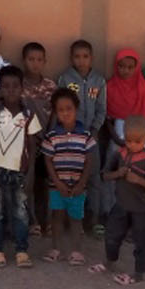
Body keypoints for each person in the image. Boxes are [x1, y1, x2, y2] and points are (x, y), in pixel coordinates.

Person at [0, 65, 42, 268]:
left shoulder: (28, 115)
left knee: (20, 212)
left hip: (21, 171)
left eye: (15, 86)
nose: (10, 90)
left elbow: (33, 146)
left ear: (22, 88)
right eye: (6, 86)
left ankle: (21, 250)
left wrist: (31, 173)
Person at [94, 116, 145, 286]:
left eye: (137, 141)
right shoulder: (119, 154)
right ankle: (110, 262)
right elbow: (104, 175)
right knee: (112, 236)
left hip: (141, 208)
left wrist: (139, 181)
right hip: (121, 204)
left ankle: (139, 273)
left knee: (140, 241)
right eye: (128, 140)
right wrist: (118, 173)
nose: (132, 145)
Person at [40, 88, 95, 265]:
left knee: (76, 218)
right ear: (55, 112)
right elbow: (48, 161)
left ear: (76, 108)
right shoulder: (52, 136)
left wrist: (82, 183)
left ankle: (76, 251)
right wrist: (57, 183)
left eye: (69, 108)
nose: (65, 113)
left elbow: (89, 161)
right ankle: (55, 248)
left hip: (78, 186)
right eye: (60, 110)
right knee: (57, 216)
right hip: (57, 187)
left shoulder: (85, 135)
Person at [58, 39, 108, 228]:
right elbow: (60, 107)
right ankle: (70, 221)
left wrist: (95, 130)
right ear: (71, 58)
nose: (81, 61)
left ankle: (94, 219)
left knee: (94, 177)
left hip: (91, 137)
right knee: (70, 176)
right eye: (77, 57)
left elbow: (102, 109)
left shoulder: (99, 80)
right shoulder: (65, 79)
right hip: (70, 136)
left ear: (91, 58)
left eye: (85, 56)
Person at [106, 47, 145, 227]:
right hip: (118, 139)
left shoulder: (142, 89)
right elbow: (108, 119)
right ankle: (114, 216)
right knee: (116, 176)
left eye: (129, 67)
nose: (125, 70)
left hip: (140, 138)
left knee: (143, 175)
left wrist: (137, 141)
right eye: (121, 66)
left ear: (136, 67)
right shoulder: (110, 87)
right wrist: (118, 139)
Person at [19, 42, 58, 238]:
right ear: (24, 61)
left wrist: (49, 137)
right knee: (29, 182)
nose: (35, 63)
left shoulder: (50, 86)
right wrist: (29, 136)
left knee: (48, 182)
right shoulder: (19, 85)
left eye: (39, 60)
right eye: (31, 59)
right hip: (26, 141)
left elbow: (55, 113)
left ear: (45, 62)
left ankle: (49, 221)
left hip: (47, 141)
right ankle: (32, 220)